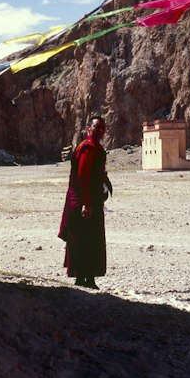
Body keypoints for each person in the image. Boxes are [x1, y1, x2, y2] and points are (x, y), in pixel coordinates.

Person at [58, 114, 112, 289]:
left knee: (90, 238)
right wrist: (86, 204)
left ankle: (87, 277)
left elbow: (96, 172)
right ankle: (83, 277)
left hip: (91, 200)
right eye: (96, 127)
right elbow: (82, 176)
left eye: (102, 128)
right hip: (83, 201)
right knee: (85, 239)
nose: (100, 130)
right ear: (88, 128)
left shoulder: (95, 147)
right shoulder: (87, 148)